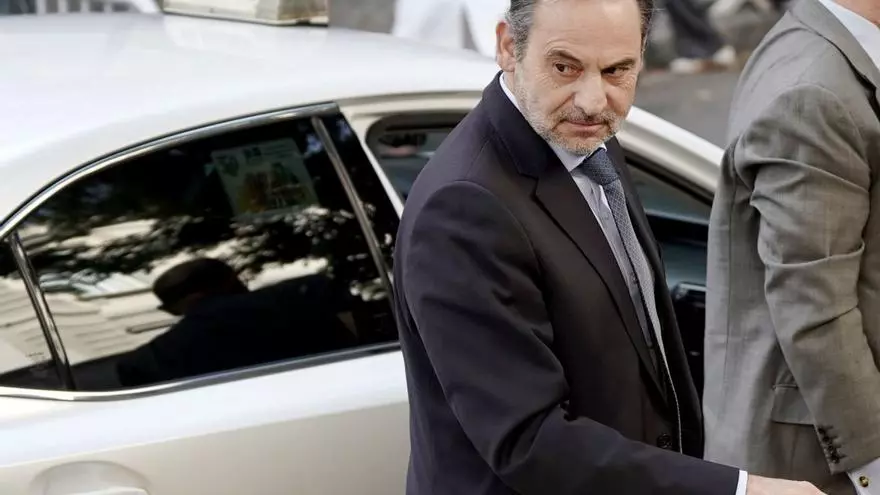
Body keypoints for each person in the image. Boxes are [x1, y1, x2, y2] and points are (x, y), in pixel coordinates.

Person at [392, 0, 824, 493]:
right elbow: (530, 442)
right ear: (509, 47)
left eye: (617, 70)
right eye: (565, 67)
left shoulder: (580, 136)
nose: (593, 100)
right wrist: (740, 489)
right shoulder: (465, 209)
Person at [702, 0, 880, 491]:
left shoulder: (825, 50)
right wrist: (875, 466)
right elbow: (814, 307)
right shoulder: (815, 92)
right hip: (817, 468)